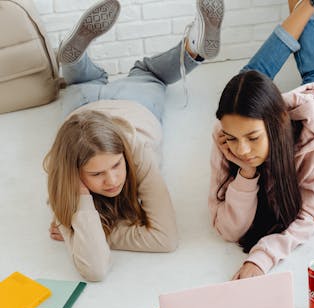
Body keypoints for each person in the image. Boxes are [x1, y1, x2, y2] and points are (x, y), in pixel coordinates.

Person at [45, 0, 224, 281]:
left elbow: (166, 239)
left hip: (121, 108)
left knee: (138, 74)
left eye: (116, 165)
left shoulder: (135, 152)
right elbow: (96, 270)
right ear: (74, 173)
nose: (112, 180)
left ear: (123, 155)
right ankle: (192, 50)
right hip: (88, 110)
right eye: (96, 174)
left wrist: (90, 230)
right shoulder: (64, 174)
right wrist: (79, 197)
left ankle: (192, 49)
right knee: (144, 72)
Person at [209, 0, 314, 279]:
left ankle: (304, 7)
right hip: (265, 108)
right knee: (246, 80)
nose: (242, 150)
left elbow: (309, 217)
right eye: (234, 138)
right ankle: (304, 5)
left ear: (275, 125)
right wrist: (246, 173)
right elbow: (227, 228)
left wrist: (261, 259)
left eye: (253, 138)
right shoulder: (224, 136)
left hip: (309, 104)